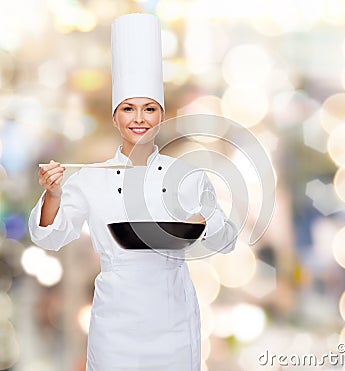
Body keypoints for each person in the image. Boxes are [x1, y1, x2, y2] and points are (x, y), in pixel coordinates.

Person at [29, 13, 237, 371]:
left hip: (173, 319)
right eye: (128, 109)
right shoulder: (91, 178)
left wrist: (203, 220)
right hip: (115, 325)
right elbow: (49, 237)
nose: (139, 118)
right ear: (114, 117)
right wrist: (53, 194)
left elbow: (227, 240)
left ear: (161, 115)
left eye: (149, 109)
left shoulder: (185, 175)